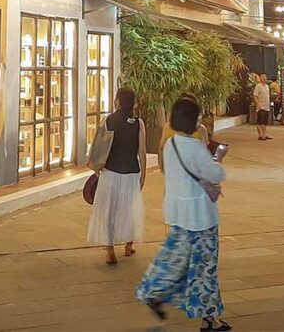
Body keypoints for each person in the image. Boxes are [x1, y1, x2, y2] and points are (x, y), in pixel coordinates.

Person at [137, 97, 229, 331]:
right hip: (201, 216)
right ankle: (209, 318)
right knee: (204, 268)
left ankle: (155, 290)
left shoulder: (171, 144)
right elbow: (216, 175)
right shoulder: (196, 148)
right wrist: (217, 159)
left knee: (174, 259)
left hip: (178, 213)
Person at [88, 87, 146, 265]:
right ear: (133, 102)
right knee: (129, 209)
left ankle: (110, 249)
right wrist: (143, 174)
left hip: (111, 172)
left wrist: (96, 167)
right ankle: (128, 245)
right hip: (131, 171)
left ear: (118, 101)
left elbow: (98, 148)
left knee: (109, 210)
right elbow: (142, 151)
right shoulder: (138, 123)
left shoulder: (108, 120)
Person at [252, 74, 273, 141]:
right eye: (262, 77)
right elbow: (255, 96)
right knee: (260, 122)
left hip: (267, 106)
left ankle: (264, 135)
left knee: (265, 122)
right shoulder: (258, 86)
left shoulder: (267, 86)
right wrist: (258, 104)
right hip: (261, 107)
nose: (264, 78)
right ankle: (260, 135)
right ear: (260, 78)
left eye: (265, 77)